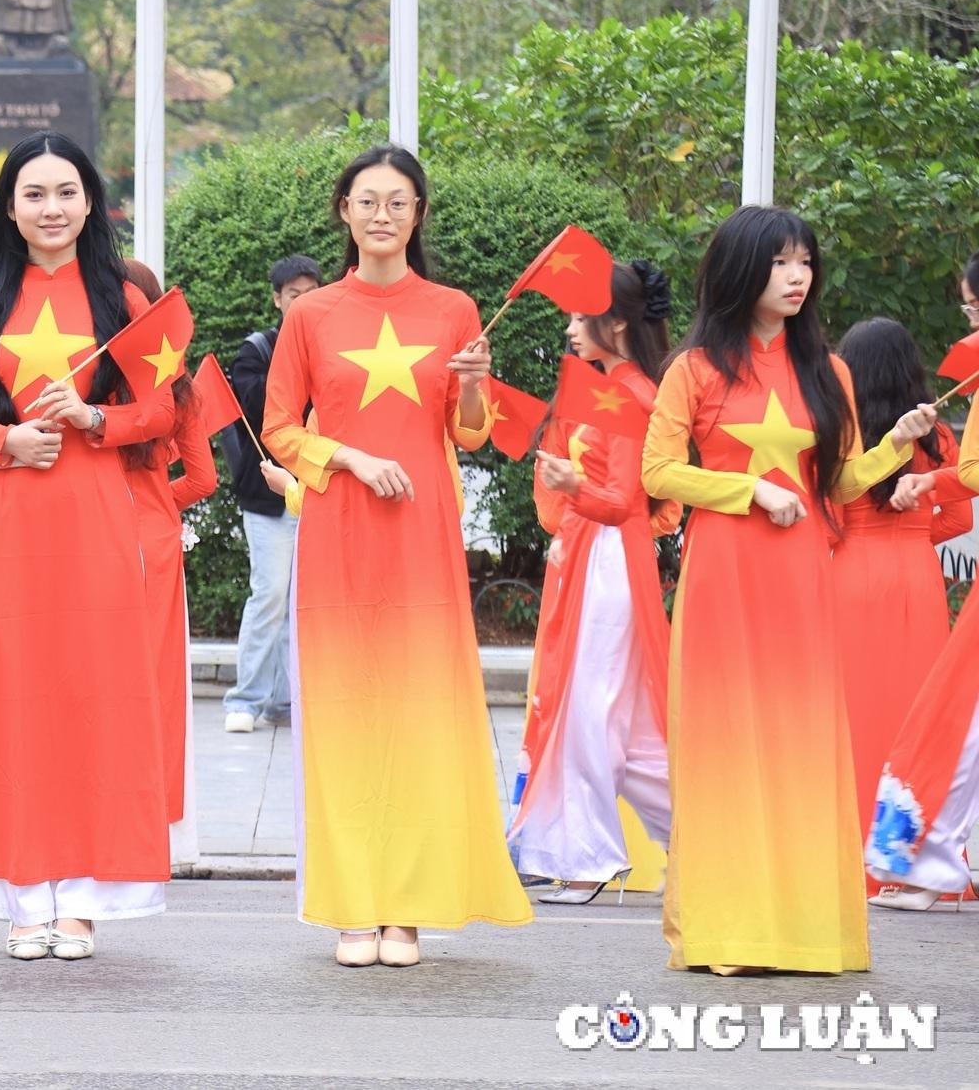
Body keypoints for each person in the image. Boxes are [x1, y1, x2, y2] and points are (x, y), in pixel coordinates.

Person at [642, 205, 933, 974]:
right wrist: (748, 490)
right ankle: (729, 930)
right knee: (727, 741)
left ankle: (804, 929)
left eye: (804, 261)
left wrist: (894, 445)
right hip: (724, 576)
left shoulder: (826, 369)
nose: (797, 276)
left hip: (802, 577)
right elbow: (658, 472)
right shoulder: (694, 369)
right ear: (742, 270)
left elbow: (835, 481)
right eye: (779, 262)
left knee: (799, 742)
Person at [262, 144, 530, 967]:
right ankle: (353, 903)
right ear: (344, 210)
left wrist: (479, 382)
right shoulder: (311, 315)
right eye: (368, 201)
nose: (383, 215)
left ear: (419, 215)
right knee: (348, 716)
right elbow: (279, 427)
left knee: (417, 716)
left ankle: (406, 907)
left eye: (400, 202)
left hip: (421, 539)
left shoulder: (452, 309)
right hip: (341, 536)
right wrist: (346, 457)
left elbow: (467, 433)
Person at [0, 130, 175, 961]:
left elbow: (163, 411)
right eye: (33, 193)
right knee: (13, 698)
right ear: (9, 208)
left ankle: (86, 898)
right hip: (6, 524)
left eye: (66, 191)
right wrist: (2, 442)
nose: (51, 207)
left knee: (92, 697)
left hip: (97, 520)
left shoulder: (121, 301)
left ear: (92, 201)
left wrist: (99, 419)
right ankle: (21, 894)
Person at [510, 261, 679, 904]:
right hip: (591, 556)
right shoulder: (612, 387)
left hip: (610, 561)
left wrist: (572, 486)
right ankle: (699, 832)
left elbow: (628, 502)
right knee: (624, 724)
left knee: (591, 710)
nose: (570, 327)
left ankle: (585, 859)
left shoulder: (633, 395)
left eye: (582, 317)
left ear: (616, 323)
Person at [831, 318, 970, 901]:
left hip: (853, 576)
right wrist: (917, 528)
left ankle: (855, 857)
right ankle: (919, 855)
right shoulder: (934, 436)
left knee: (855, 716)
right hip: (917, 580)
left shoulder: (844, 430)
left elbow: (832, 513)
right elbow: (960, 516)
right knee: (919, 715)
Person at [119, 258, 217, 865]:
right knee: (156, 683)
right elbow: (202, 478)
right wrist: (159, 501)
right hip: (156, 544)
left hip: (98, 536)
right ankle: (159, 821)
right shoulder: (178, 384)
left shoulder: (100, 382)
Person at [223, 254, 321, 734]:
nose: (303, 303)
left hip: (320, 491)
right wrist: (294, 360)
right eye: (294, 296)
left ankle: (287, 700)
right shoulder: (256, 350)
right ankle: (244, 699)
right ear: (277, 299)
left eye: (311, 294)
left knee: (304, 599)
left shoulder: (332, 347)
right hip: (268, 497)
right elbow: (262, 410)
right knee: (270, 595)